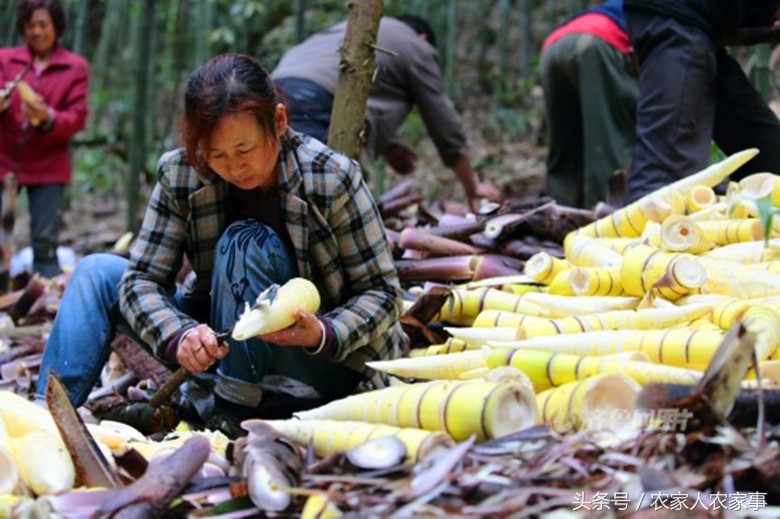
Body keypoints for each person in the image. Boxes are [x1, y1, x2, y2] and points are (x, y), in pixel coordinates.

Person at [35, 54, 406, 427]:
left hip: (314, 363)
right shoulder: (181, 174)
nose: (234, 167)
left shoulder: (329, 177)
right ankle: (45, 415)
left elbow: (383, 292)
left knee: (246, 241)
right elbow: (141, 281)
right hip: (220, 347)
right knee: (96, 273)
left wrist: (322, 332)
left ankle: (232, 411)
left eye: (244, 150)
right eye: (217, 155)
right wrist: (180, 335)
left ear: (278, 122)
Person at [271, 14, 503, 212]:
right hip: (315, 101)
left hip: (274, 91)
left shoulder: (361, 28)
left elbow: (353, 89)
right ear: (424, 38)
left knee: (276, 190)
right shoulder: (416, 44)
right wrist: (472, 185)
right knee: (312, 206)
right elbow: (442, 120)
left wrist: (387, 147)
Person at [622, 0, 780, 204]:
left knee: (768, 154)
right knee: (663, 183)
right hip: (679, 17)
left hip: (701, 24)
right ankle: (648, 222)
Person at [0, 0, 89, 278]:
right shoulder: (6, 60)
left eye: (43, 24)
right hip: (4, 160)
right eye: (30, 25)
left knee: (44, 243)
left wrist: (48, 117)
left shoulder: (74, 67)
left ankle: (44, 296)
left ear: (56, 26)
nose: (37, 31)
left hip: (49, 165)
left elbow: (76, 118)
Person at [540, 0, 637, 209]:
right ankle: (609, 219)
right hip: (599, 42)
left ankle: (554, 217)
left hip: (554, 45)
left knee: (565, 153)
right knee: (609, 147)